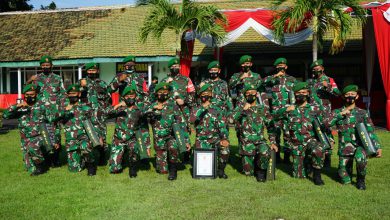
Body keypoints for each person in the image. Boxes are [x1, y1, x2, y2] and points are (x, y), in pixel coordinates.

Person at [326, 85, 382, 190]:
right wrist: (341, 115)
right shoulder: (337, 112)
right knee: (345, 180)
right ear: (343, 97)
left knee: (361, 158)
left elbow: (371, 131)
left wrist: (377, 146)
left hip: (360, 145)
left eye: (352, 94)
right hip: (345, 148)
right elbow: (326, 124)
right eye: (347, 95)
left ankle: (361, 180)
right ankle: (345, 172)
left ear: (357, 97)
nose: (350, 96)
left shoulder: (363, 113)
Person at [274, 82, 329, 185]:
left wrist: (329, 138)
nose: (301, 95)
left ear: (308, 93)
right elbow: (274, 116)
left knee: (318, 149)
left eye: (303, 92)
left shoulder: (315, 109)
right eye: (298, 93)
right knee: (298, 176)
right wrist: (286, 109)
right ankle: (307, 164)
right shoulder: (290, 109)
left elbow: (324, 125)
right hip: (296, 144)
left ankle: (317, 175)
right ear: (294, 94)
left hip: (311, 141)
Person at [230, 84, 277, 182]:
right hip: (246, 144)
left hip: (260, 141)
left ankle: (261, 171)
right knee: (248, 173)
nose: (250, 95)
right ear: (245, 96)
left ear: (257, 94)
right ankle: (254, 163)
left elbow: (271, 126)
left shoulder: (263, 109)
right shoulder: (240, 109)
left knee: (265, 152)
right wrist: (242, 110)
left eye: (253, 93)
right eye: (248, 93)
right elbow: (230, 120)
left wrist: (272, 142)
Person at [26, 55, 66, 167]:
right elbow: (27, 90)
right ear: (40, 66)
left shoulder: (58, 78)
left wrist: (62, 108)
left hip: (54, 112)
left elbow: (63, 94)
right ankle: (46, 158)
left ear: (52, 66)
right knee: (42, 134)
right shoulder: (36, 78)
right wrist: (30, 80)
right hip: (40, 113)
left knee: (56, 135)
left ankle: (56, 159)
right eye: (43, 65)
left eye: (47, 65)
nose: (45, 67)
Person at [145, 82, 191, 180]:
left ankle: (173, 170)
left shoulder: (173, 106)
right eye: (160, 92)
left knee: (173, 147)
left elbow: (181, 123)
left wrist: (186, 141)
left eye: (165, 92)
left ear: (168, 93)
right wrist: (153, 109)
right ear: (156, 93)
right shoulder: (151, 106)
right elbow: (143, 115)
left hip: (171, 136)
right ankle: (164, 165)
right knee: (162, 171)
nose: (163, 94)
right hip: (158, 139)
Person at [3, 84, 49, 175]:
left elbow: (51, 121)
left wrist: (52, 139)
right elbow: (5, 115)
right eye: (27, 95)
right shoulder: (20, 109)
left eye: (32, 95)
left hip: (40, 136)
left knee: (33, 148)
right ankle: (41, 161)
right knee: (30, 168)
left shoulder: (41, 106)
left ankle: (42, 166)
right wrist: (17, 106)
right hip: (25, 139)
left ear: (36, 94)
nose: (29, 97)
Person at [106, 84, 151, 177]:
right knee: (114, 170)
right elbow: (106, 113)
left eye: (132, 96)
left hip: (132, 139)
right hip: (118, 140)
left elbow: (144, 129)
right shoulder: (119, 108)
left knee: (134, 148)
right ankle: (119, 161)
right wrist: (118, 105)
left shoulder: (139, 110)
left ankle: (133, 168)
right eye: (127, 96)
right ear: (123, 97)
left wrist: (147, 146)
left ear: (135, 96)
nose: (129, 98)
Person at [56, 84, 101, 175]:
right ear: (67, 95)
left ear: (79, 94)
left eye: (74, 93)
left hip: (83, 137)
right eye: (70, 94)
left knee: (85, 147)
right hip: (70, 140)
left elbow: (95, 123)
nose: (72, 96)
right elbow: (54, 122)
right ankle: (82, 161)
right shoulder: (63, 109)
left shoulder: (86, 108)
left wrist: (99, 137)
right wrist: (64, 111)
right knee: (74, 169)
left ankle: (91, 164)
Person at [190, 84, 230, 178]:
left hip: (215, 138)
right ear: (200, 96)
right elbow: (191, 120)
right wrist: (203, 108)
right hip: (202, 139)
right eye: (203, 94)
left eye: (208, 94)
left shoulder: (217, 109)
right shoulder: (195, 109)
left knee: (225, 149)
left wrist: (224, 138)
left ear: (211, 95)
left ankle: (220, 170)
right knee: (201, 158)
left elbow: (222, 126)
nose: (206, 96)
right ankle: (203, 172)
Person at [308, 59, 341, 167]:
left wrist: (328, 86)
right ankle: (314, 156)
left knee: (326, 133)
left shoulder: (329, 79)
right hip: (312, 113)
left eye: (318, 68)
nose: (316, 70)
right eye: (314, 69)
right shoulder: (311, 82)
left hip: (324, 113)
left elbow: (337, 94)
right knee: (313, 133)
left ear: (322, 68)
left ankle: (327, 158)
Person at [263, 57, 296, 163]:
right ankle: (276, 156)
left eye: (282, 66)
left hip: (288, 112)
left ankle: (287, 158)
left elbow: (297, 93)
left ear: (286, 67)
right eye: (278, 66)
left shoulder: (292, 80)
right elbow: (261, 83)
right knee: (275, 135)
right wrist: (275, 76)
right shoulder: (272, 79)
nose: (281, 68)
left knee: (288, 135)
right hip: (276, 112)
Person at [80, 62, 111, 166]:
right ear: (86, 71)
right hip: (86, 115)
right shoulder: (81, 83)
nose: (91, 72)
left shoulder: (102, 84)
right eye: (89, 70)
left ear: (97, 71)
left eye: (93, 70)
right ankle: (86, 159)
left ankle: (102, 157)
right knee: (86, 136)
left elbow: (107, 99)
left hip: (99, 115)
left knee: (102, 137)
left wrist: (105, 111)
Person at [199, 60, 233, 127]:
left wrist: (230, 113)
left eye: (215, 70)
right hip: (208, 114)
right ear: (209, 71)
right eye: (211, 70)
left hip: (222, 114)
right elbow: (199, 100)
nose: (213, 72)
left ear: (219, 71)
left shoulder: (224, 83)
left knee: (223, 136)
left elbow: (228, 99)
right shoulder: (204, 83)